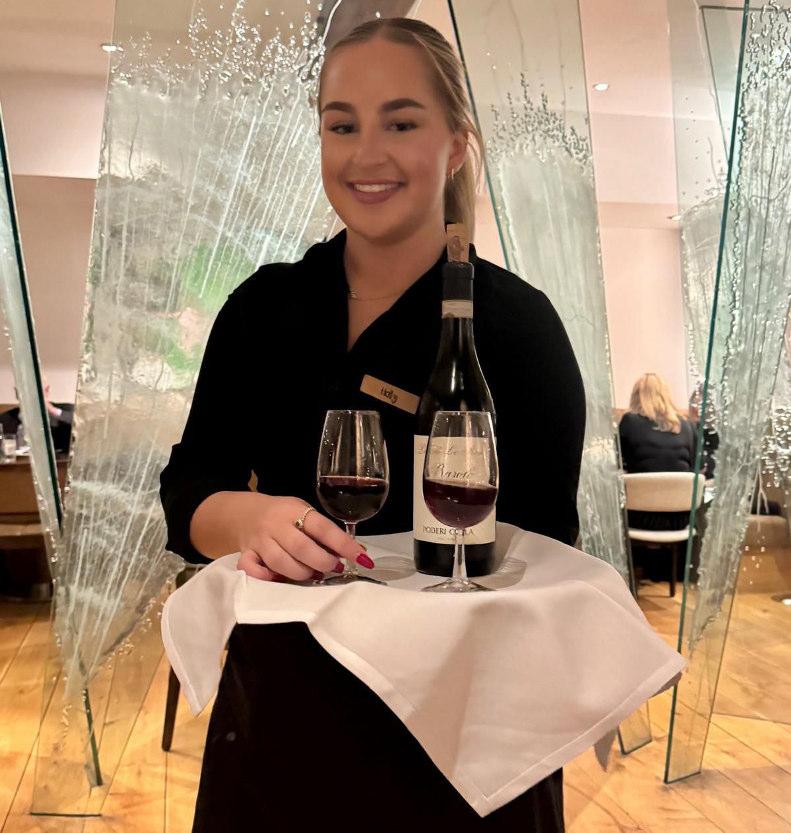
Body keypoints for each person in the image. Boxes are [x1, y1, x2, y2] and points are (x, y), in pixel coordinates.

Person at [160, 18, 585, 832]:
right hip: (280, 724)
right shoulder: (263, 308)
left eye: (400, 122)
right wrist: (250, 518)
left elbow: (545, 547)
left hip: (458, 743)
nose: (366, 155)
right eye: (341, 125)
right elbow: (188, 494)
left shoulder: (517, 328)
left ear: (455, 145)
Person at [619, 373, 695, 532]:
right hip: (680, 519)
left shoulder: (629, 421)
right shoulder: (687, 425)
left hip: (640, 517)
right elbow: (694, 467)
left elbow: (617, 463)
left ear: (636, 396)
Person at [0, 381, 74, 454]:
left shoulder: (65, 413)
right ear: (16, 393)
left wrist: (53, 411)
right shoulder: (4, 419)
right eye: (24, 390)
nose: (29, 395)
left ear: (47, 390)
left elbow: (78, 430)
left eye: (34, 389)